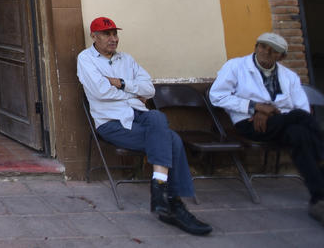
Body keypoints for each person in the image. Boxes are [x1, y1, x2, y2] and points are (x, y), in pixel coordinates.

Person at [77, 16, 211, 235]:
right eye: (106, 34)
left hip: (139, 115)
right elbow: (100, 92)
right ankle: (173, 203)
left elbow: (149, 90)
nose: (113, 38)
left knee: (157, 116)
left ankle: (161, 191)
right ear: (94, 36)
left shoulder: (127, 59)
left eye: (114, 34)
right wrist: (133, 93)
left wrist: (121, 83)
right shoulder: (86, 59)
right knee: (172, 140)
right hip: (112, 122)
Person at [209, 32, 324, 225]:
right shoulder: (235, 66)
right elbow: (217, 96)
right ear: (256, 47)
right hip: (250, 123)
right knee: (300, 117)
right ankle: (322, 157)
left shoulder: (289, 76)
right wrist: (255, 107)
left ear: (282, 57)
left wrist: (269, 112)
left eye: (273, 51)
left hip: (282, 123)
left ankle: (318, 198)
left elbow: (302, 106)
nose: (266, 52)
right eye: (263, 47)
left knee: (299, 135)